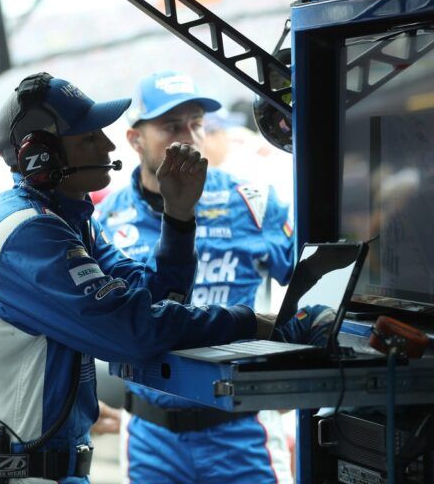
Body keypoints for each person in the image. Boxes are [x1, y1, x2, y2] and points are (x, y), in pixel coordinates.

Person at [0, 72, 276, 483]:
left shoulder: (71, 222)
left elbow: (153, 298)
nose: (107, 145)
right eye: (88, 138)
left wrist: (178, 216)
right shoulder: (29, 234)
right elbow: (131, 333)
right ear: (41, 156)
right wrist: (249, 322)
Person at [96, 70, 328, 483]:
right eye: (171, 126)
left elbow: (317, 291)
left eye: (197, 124)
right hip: (150, 436)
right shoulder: (108, 218)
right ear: (135, 140)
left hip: (242, 431)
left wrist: (301, 367)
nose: (188, 138)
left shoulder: (251, 203)